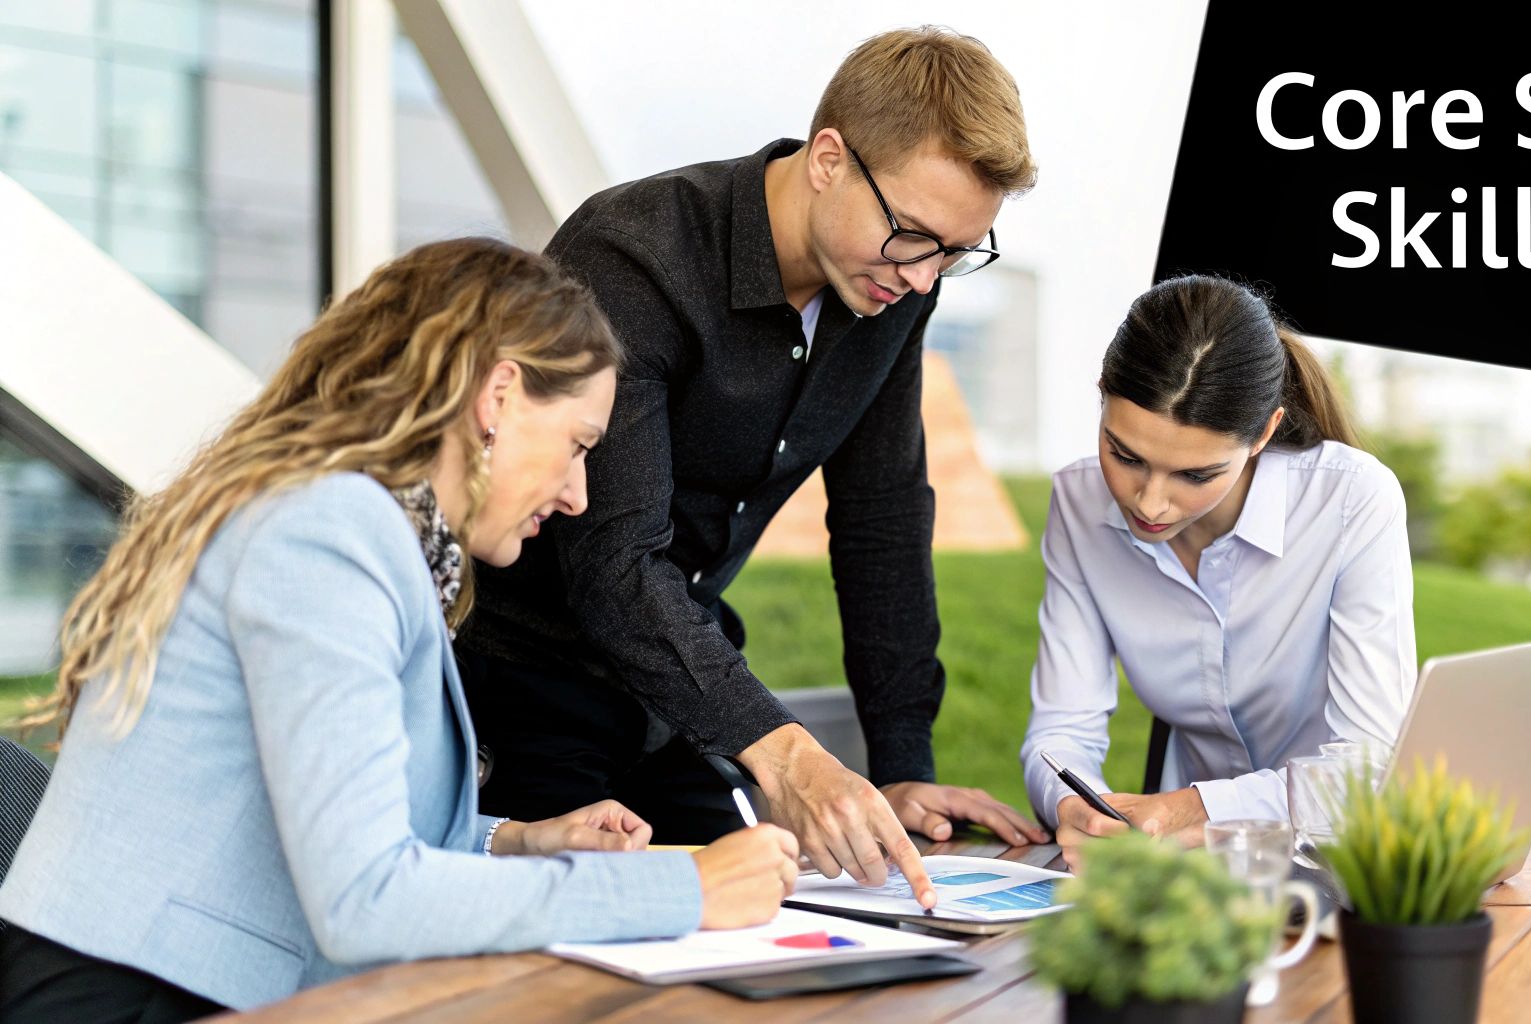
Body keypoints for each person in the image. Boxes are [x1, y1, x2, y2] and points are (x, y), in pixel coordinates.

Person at [0, 238, 798, 1022]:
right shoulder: (330, 532)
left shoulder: (353, 524)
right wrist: (688, 890)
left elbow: (336, 814)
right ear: (498, 398)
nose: (578, 494)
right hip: (132, 995)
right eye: (578, 445)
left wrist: (517, 842)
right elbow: (365, 898)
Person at [458, 26, 1047, 906]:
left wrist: (900, 767)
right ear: (828, 159)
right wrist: (787, 752)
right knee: (592, 960)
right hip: (531, 687)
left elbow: (882, 518)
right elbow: (615, 563)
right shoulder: (633, 261)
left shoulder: (890, 286)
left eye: (957, 254)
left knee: (774, 914)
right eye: (915, 238)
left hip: (681, 700)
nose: (925, 280)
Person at [1018, 275, 1417, 870]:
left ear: (1263, 434)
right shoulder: (1077, 502)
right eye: (1125, 456)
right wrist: (1074, 803)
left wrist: (1198, 807)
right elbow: (1060, 728)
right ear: (1102, 396)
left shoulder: (1352, 498)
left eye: (1195, 475)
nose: (1150, 504)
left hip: (1335, 862)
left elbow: (1371, 766)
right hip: (1189, 873)